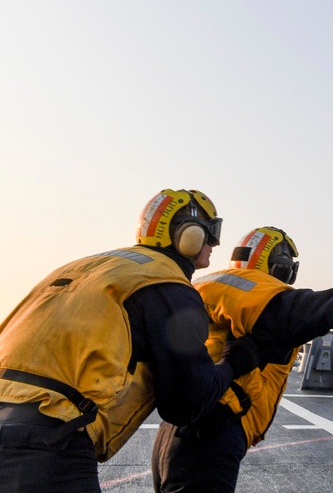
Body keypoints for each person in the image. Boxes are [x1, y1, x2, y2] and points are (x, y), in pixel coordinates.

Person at [151, 225, 333, 493]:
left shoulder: (207, 286)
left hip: (173, 431)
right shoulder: (272, 305)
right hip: (211, 437)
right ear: (279, 267)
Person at [0, 189, 261, 493]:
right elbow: (185, 404)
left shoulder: (87, 267)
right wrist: (233, 363)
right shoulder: (168, 285)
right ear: (189, 234)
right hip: (49, 442)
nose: (214, 244)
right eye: (211, 233)